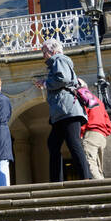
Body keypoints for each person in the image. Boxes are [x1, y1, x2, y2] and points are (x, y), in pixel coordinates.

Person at [35, 38, 94, 182]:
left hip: (68, 109)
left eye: (44, 52)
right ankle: (56, 180)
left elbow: (64, 78)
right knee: (53, 143)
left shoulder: (58, 59)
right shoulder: (56, 62)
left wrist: (45, 83)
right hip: (62, 111)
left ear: (52, 51)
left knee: (73, 142)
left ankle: (86, 177)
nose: (43, 56)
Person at [80, 86, 111, 179]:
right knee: (98, 167)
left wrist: (81, 133)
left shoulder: (83, 99)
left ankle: (101, 188)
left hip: (91, 133)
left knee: (90, 163)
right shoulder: (98, 101)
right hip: (101, 135)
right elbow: (107, 119)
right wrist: (106, 131)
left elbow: (83, 117)